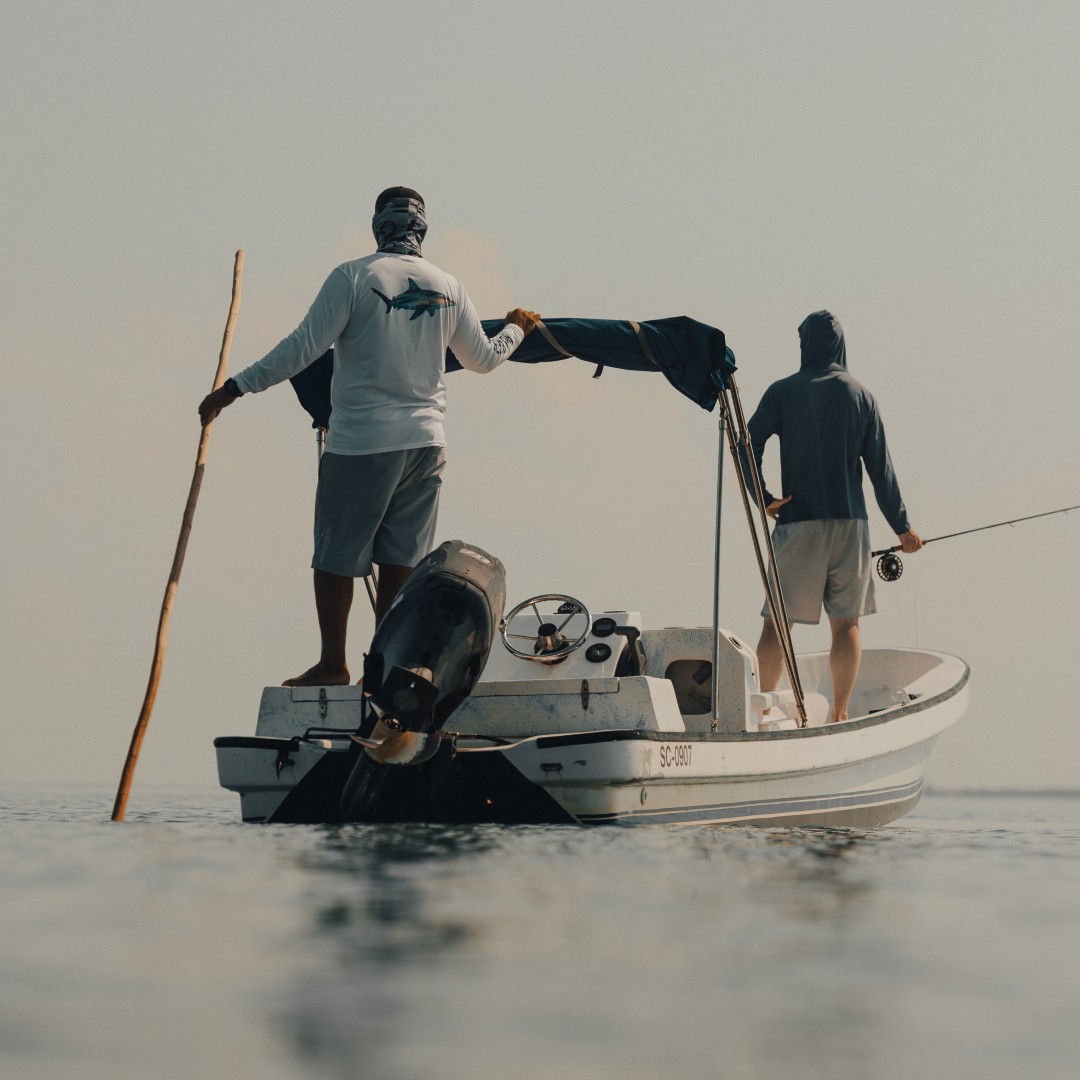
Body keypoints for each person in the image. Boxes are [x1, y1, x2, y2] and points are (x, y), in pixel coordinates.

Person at [199, 186, 539, 687]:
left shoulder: (354, 276)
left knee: (336, 556)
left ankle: (334, 664)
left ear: (378, 225)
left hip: (362, 442)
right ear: (423, 229)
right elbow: (484, 359)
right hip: (427, 444)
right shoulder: (449, 285)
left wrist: (234, 387)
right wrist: (517, 330)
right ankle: (381, 671)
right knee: (401, 558)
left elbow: (302, 348)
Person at [744, 310, 923, 723]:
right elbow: (882, 471)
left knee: (777, 626)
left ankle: (757, 715)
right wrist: (903, 528)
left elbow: (746, 441)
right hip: (849, 527)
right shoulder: (861, 395)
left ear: (804, 344)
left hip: (797, 523)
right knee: (846, 626)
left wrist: (764, 497)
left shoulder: (781, 392)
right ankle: (839, 714)